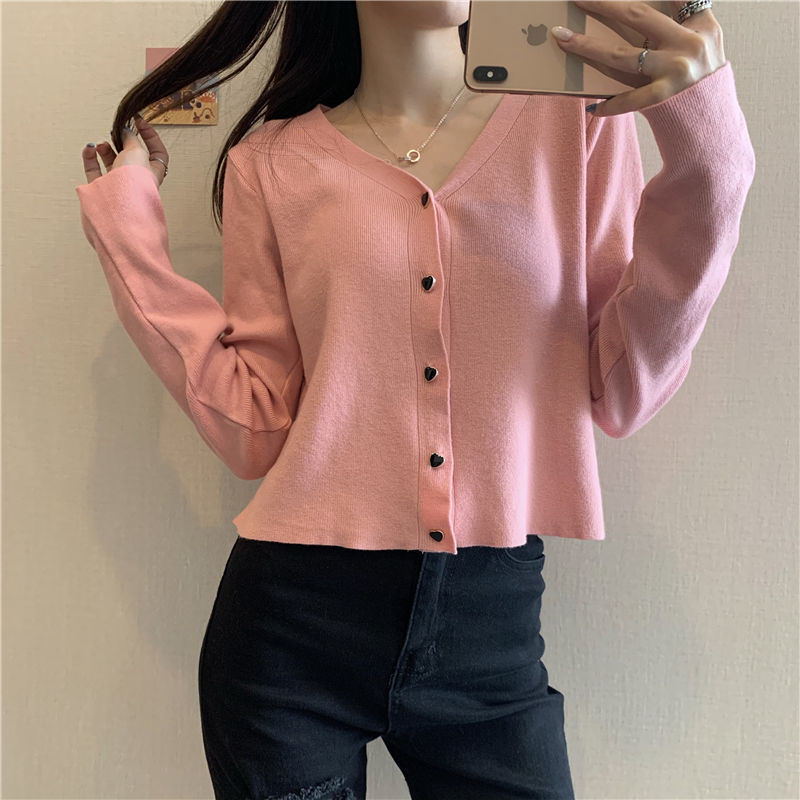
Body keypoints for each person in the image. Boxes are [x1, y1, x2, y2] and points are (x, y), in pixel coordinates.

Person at [76, 2, 754, 798]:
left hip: (491, 635)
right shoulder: (272, 163)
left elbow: (621, 389)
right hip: (291, 638)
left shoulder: (578, 124)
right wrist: (128, 237)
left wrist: (710, 155)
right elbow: (254, 428)